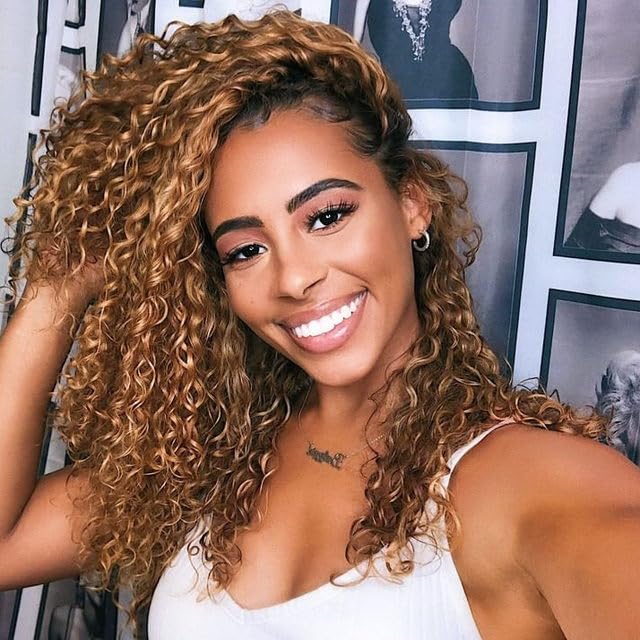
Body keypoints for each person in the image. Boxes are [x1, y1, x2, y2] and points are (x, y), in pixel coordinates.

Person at [0, 10, 639, 639]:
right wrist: (58, 288)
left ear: (412, 204)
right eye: (246, 250)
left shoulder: (530, 483)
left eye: (327, 216)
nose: (294, 278)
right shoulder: (211, 455)